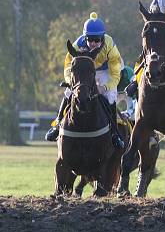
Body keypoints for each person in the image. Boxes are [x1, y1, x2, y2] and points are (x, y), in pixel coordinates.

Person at [45, 12, 126, 149]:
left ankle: (114, 133)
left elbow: (115, 74)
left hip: (108, 71)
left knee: (110, 96)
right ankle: (57, 124)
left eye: (97, 39)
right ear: (85, 37)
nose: (94, 43)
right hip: (85, 70)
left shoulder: (110, 46)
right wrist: (71, 83)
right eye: (90, 39)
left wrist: (105, 87)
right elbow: (68, 68)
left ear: (102, 38)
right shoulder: (76, 46)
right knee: (68, 92)